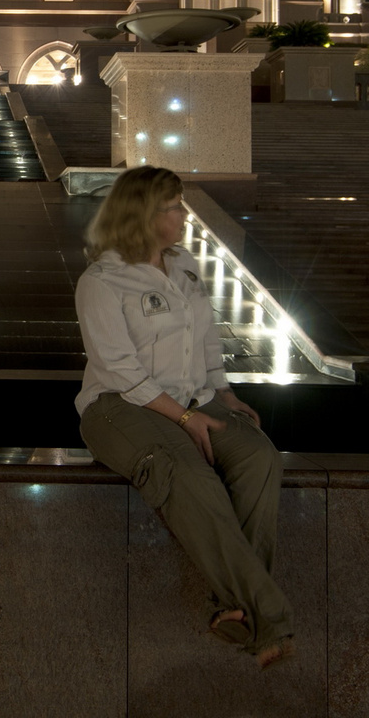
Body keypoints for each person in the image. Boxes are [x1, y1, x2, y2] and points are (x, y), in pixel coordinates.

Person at [74, 166, 294, 669]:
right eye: (173, 207)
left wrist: (224, 393)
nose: (182, 215)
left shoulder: (186, 264)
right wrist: (183, 420)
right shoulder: (102, 280)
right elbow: (121, 370)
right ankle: (271, 619)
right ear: (143, 215)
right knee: (189, 475)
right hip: (119, 408)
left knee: (260, 458)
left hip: (195, 399)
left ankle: (236, 609)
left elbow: (208, 336)